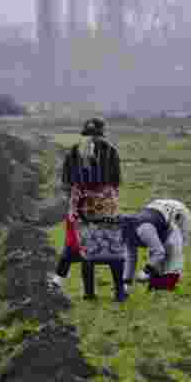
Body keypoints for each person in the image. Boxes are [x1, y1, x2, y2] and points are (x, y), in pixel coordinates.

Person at [51, 117, 127, 301]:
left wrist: (79, 198)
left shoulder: (74, 152)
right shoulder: (111, 151)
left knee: (86, 248)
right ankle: (118, 292)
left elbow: (67, 182)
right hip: (105, 205)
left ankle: (89, 293)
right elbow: (116, 182)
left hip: (82, 206)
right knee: (112, 248)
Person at [122, 199, 191, 291]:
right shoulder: (127, 233)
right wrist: (126, 283)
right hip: (157, 210)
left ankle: (168, 285)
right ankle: (157, 286)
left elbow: (159, 252)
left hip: (178, 212)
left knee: (172, 251)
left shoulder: (144, 229)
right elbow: (131, 257)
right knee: (155, 258)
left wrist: (146, 271)